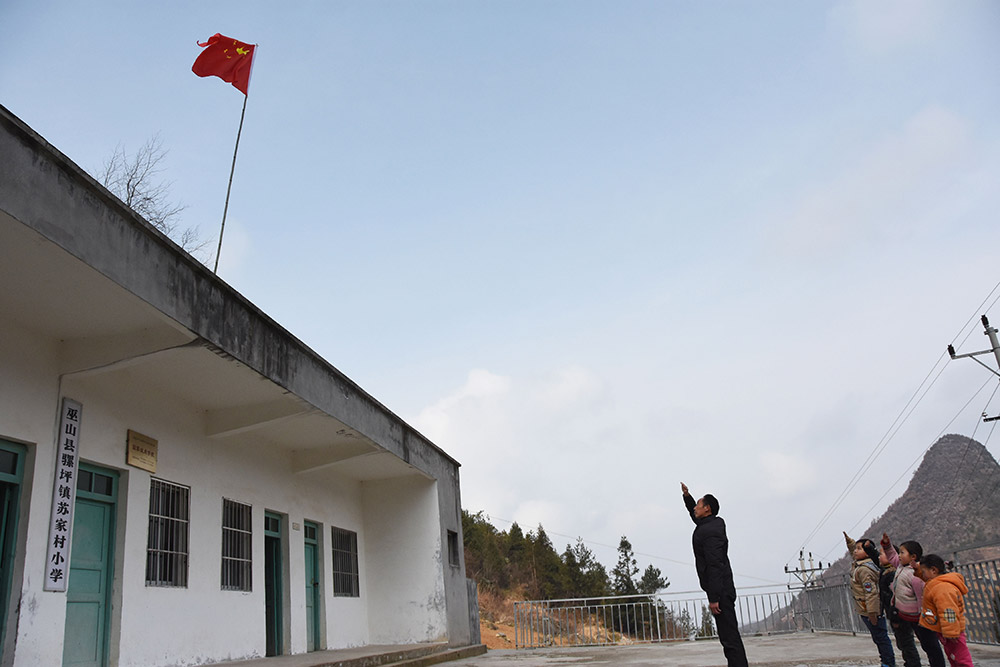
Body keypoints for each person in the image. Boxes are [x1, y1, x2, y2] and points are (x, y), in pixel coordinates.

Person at [681, 483, 748, 667]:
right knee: (728, 637)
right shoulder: (710, 525)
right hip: (721, 589)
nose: (695, 508)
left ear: (707, 509)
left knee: (729, 638)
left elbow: (715, 565)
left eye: (698, 505)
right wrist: (687, 497)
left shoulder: (710, 531)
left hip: (721, 592)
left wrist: (714, 597)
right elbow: (695, 516)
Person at [881, 534, 945, 667]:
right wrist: (887, 545)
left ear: (913, 557)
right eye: (899, 552)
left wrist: (924, 616)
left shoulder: (916, 575)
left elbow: (922, 598)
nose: (899, 555)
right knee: (905, 642)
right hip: (904, 614)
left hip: (919, 617)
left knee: (929, 645)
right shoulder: (900, 566)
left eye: (902, 553)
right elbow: (892, 556)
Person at [844, 532, 895, 667]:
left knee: (881, 637)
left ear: (867, 552)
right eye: (855, 548)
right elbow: (853, 551)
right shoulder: (861, 564)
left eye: (859, 549)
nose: (855, 551)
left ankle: (888, 662)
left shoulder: (865, 570)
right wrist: (850, 542)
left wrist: (872, 613)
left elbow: (871, 593)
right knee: (878, 637)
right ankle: (885, 660)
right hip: (866, 609)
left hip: (870, 610)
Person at [916, 554, 973, 667]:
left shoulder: (942, 588)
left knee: (961, 660)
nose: (922, 575)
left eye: (923, 572)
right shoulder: (935, 583)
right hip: (946, 630)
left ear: (933, 570)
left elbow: (948, 611)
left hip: (952, 632)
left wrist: (951, 631)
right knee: (953, 657)